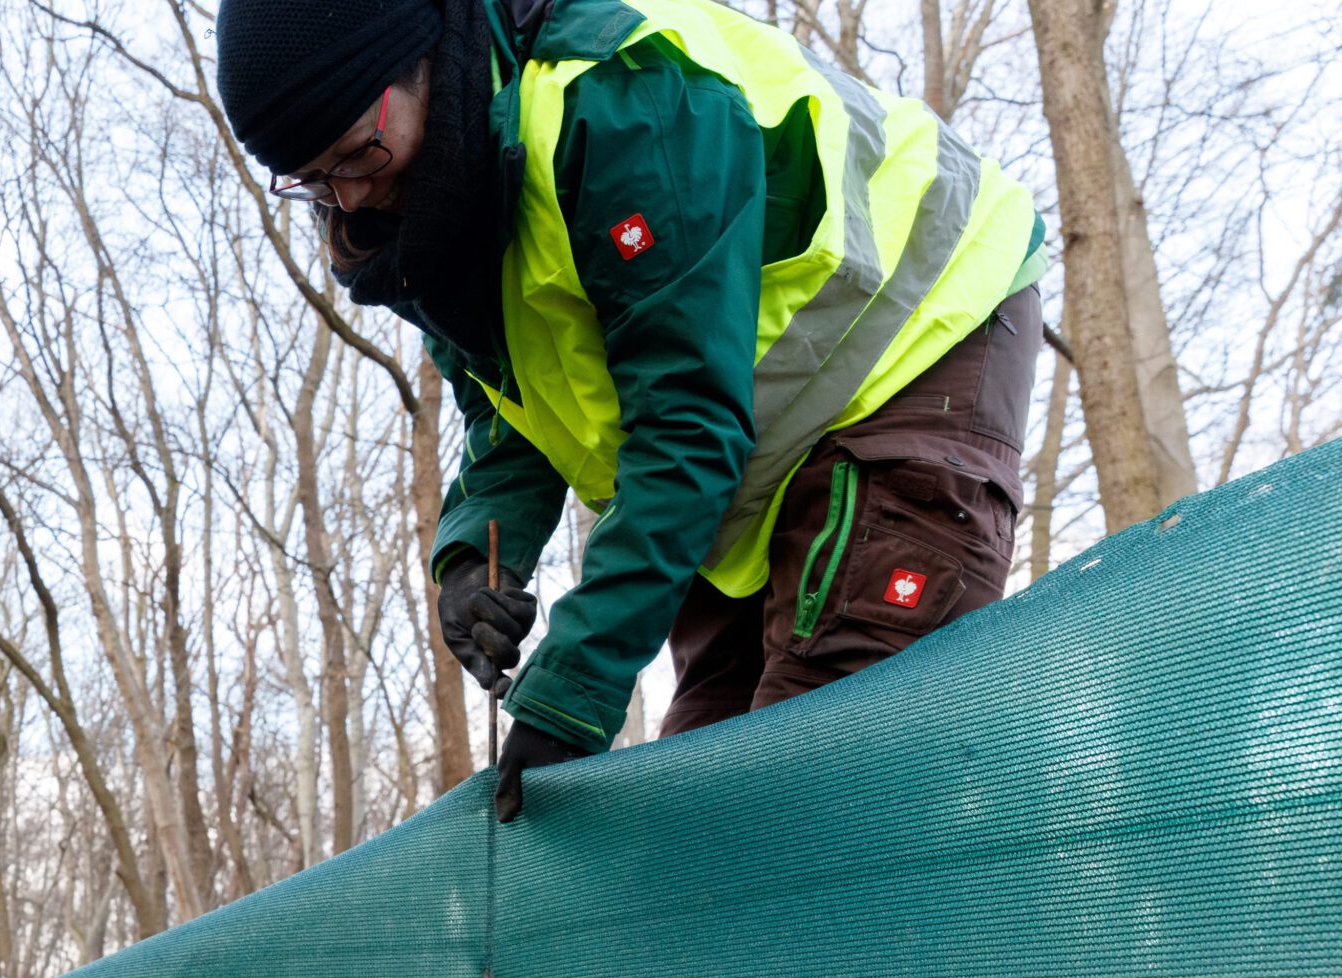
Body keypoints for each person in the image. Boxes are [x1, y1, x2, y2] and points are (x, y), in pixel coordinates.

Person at [214, 0, 1045, 821]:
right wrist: (474, 556)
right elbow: (514, 404)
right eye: (314, 180)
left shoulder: (620, 100)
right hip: (751, 436)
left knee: (809, 792)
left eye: (360, 152)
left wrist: (575, 687)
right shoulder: (432, 209)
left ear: (424, 56)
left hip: (916, 336)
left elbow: (686, 416)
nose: (351, 198)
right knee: (694, 805)